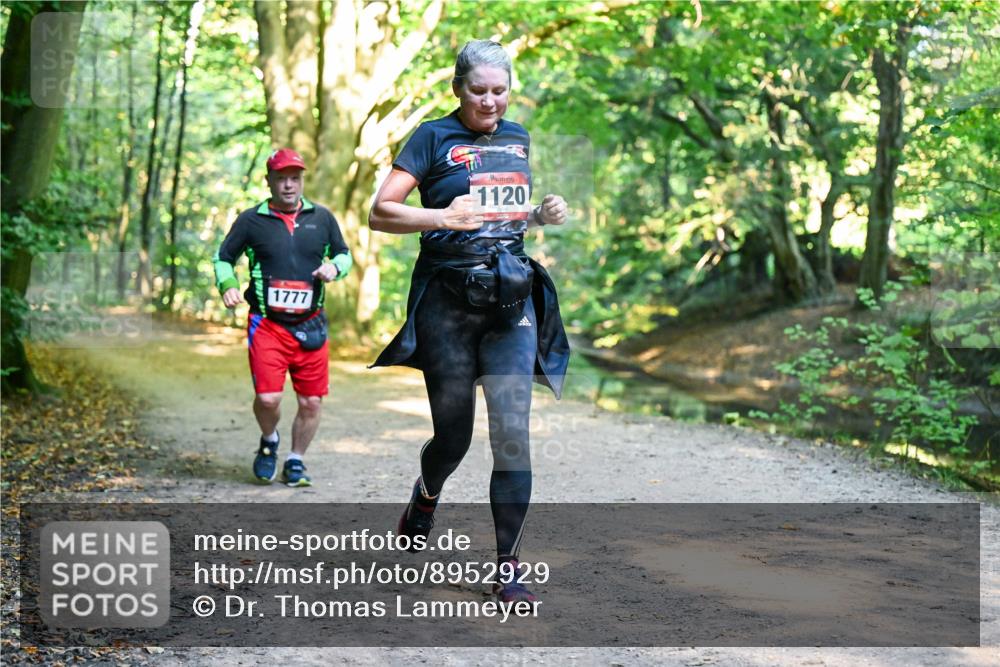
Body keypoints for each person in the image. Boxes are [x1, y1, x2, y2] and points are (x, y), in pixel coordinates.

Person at [368, 40, 570, 604]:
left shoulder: (518, 137)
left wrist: (539, 214)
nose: (490, 101)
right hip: (448, 304)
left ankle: (508, 565)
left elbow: (504, 213)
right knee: (453, 437)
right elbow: (380, 212)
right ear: (457, 88)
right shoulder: (431, 137)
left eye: (499, 90)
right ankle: (426, 494)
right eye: (478, 90)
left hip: (509, 302)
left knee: (511, 435)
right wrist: (440, 216)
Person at [213, 148, 352, 487]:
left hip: (311, 324)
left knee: (311, 402)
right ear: (269, 181)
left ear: (302, 180)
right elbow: (223, 258)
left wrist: (335, 267)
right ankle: (269, 440)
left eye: (295, 178)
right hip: (268, 324)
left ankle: (295, 460)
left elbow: (344, 255)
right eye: (281, 179)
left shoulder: (322, 218)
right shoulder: (251, 220)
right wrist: (227, 284)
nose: (288, 185)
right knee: (268, 398)